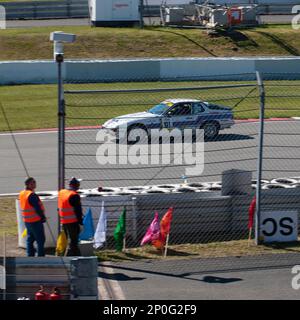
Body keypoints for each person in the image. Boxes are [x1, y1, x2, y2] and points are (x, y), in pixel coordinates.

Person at [19, 177, 46, 257]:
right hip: (35, 221)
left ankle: (30, 255)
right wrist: (42, 217)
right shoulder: (31, 195)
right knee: (40, 240)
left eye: (34, 182)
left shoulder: (22, 193)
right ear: (28, 184)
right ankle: (41, 257)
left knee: (30, 239)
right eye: (33, 182)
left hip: (27, 220)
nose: (34, 184)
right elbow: (37, 208)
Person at [58, 177, 83, 256]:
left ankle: (76, 256)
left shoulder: (62, 192)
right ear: (77, 185)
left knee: (71, 241)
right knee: (73, 242)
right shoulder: (74, 195)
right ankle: (69, 258)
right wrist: (81, 223)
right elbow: (78, 211)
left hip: (63, 221)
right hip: (72, 222)